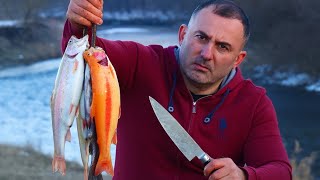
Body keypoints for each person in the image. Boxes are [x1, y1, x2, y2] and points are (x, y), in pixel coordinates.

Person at [63, 0, 292, 179]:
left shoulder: (253, 103)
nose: (206, 54)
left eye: (222, 47)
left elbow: (281, 171)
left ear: (237, 59)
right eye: (201, 37)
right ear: (183, 35)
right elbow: (83, 55)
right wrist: (78, 23)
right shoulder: (142, 63)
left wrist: (244, 175)